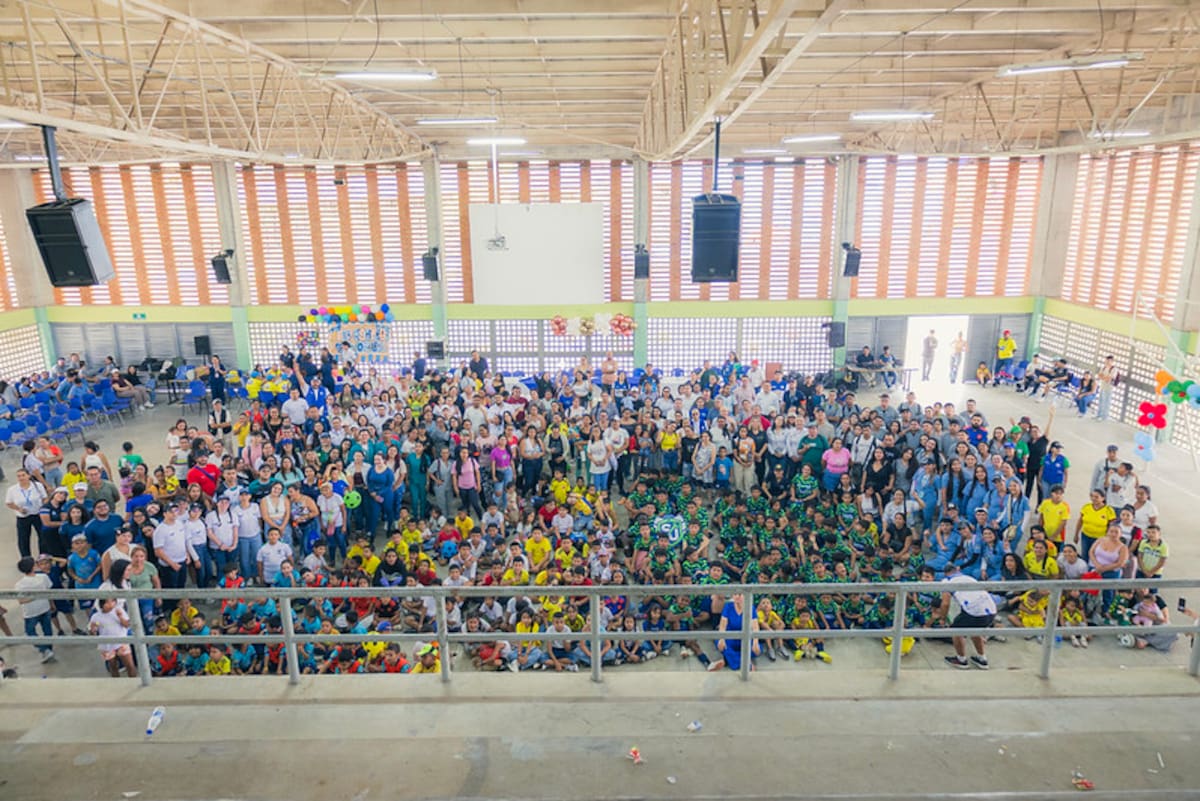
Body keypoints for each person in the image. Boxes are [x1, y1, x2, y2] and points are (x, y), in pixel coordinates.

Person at [941, 563, 997, 669]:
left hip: (974, 611)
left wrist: (942, 619)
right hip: (991, 609)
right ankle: (982, 658)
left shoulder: (946, 581)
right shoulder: (968, 577)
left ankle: (961, 660)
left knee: (956, 631)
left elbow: (945, 603)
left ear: (945, 574)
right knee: (975, 630)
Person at [15, 556, 56, 663]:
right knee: (47, 631)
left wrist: (33, 597)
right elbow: (49, 592)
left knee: (30, 633)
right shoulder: (43, 577)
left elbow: (21, 600)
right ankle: (47, 650)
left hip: (30, 612)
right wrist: (51, 603)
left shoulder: (20, 584)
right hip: (44, 608)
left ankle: (45, 650)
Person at [706, 593, 760, 672]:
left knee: (757, 650)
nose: (737, 597)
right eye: (735, 594)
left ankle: (726, 661)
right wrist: (722, 639)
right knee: (720, 643)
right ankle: (746, 664)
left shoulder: (750, 608)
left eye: (740, 594)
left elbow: (755, 627)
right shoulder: (728, 606)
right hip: (731, 637)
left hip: (745, 638)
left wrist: (755, 642)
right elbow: (723, 624)